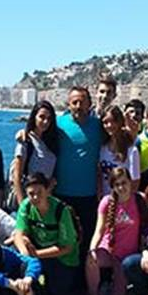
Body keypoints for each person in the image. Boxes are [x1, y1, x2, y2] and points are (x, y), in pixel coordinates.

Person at [13, 173, 81, 295]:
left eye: (40, 192)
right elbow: (18, 234)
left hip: (62, 258)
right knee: (14, 253)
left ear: (47, 190)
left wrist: (36, 254)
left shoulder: (61, 211)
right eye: (31, 194)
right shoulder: (26, 207)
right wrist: (26, 256)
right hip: (37, 253)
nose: (36, 197)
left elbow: (67, 247)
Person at [86, 168, 145, 295]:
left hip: (127, 256)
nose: (121, 187)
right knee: (91, 260)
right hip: (109, 250)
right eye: (117, 184)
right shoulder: (107, 201)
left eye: (124, 183)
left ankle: (117, 289)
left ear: (130, 182)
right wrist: (92, 249)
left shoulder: (139, 200)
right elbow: (99, 230)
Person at [54, 87, 102, 253]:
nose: (78, 106)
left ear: (90, 104)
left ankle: (84, 278)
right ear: (69, 104)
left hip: (88, 196)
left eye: (82, 102)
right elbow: (39, 135)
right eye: (74, 102)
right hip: (61, 194)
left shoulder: (98, 126)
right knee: (62, 241)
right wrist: (24, 133)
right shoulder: (58, 124)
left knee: (85, 242)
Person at [9, 100, 58, 210]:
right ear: (34, 117)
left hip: (45, 201)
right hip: (28, 199)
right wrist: (22, 205)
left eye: (49, 119)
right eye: (42, 117)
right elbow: (16, 176)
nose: (45, 121)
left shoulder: (51, 142)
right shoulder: (26, 140)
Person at [97, 105, 140, 197]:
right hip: (106, 199)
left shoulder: (131, 150)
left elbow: (135, 181)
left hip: (124, 201)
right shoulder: (102, 148)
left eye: (113, 121)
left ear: (120, 122)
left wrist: (126, 201)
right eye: (105, 122)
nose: (109, 125)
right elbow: (100, 175)